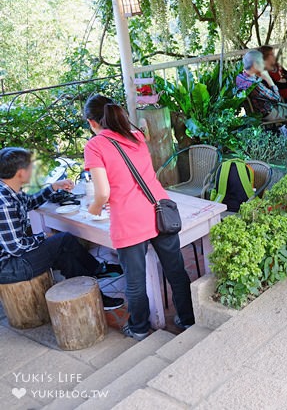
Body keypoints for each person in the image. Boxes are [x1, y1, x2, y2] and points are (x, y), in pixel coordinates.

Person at [83, 95, 194, 341]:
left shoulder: (95, 146)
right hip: (159, 211)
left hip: (129, 219)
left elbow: (102, 192)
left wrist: (93, 209)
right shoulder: (136, 137)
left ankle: (140, 328)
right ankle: (187, 319)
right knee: (175, 270)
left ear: (92, 122)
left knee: (134, 280)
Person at [0, 147, 124, 309]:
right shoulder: (4, 203)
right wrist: (44, 236)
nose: (34, 169)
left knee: (65, 254)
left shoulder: (10, 190)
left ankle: (95, 291)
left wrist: (53, 187)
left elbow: (29, 203)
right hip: (10, 267)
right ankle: (97, 278)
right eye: (31, 166)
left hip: (14, 258)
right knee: (62, 240)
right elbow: (16, 248)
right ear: (21, 173)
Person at [236, 50, 287, 124]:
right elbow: (277, 98)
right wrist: (268, 79)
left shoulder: (239, 78)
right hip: (269, 113)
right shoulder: (254, 84)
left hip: (254, 113)